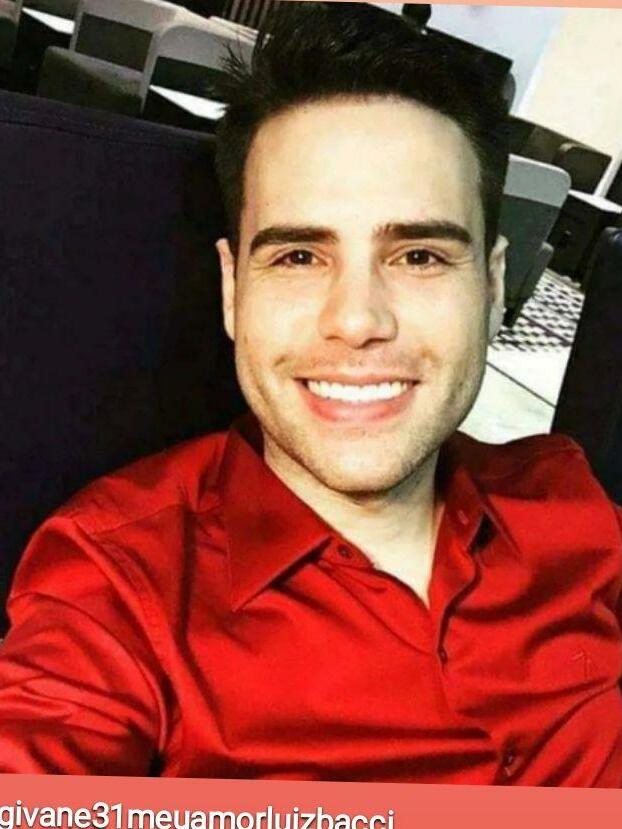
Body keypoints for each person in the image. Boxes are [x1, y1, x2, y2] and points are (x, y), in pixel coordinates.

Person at [1, 2, 621, 784]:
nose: (357, 320)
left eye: (421, 256)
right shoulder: (117, 586)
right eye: (298, 256)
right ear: (233, 290)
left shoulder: (567, 497)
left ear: (494, 287)